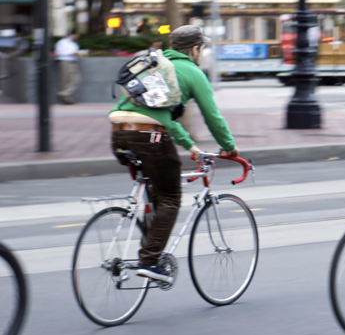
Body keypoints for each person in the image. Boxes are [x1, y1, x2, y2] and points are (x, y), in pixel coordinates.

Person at [108, 25, 238, 282]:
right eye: (202, 48)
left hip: (119, 130)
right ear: (195, 49)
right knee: (170, 198)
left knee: (157, 191)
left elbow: (163, 117)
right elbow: (212, 117)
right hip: (150, 135)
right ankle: (149, 260)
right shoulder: (192, 71)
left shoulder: (157, 64)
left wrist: (191, 147)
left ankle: (149, 247)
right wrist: (229, 146)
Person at [55, 31, 81, 104]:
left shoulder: (73, 43)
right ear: (72, 34)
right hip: (65, 61)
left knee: (75, 79)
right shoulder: (62, 42)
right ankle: (65, 97)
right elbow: (59, 52)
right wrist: (71, 53)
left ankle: (64, 93)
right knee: (65, 80)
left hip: (73, 61)